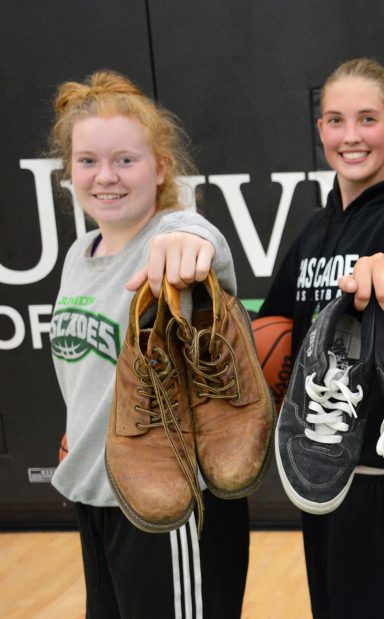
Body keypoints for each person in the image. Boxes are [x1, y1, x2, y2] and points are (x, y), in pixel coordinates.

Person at [258, 58, 384, 617]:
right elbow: (271, 330)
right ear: (320, 130)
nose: (350, 137)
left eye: (367, 119)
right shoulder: (316, 229)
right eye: (335, 121)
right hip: (321, 468)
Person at [48, 70, 245, 617]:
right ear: (70, 170)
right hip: (96, 497)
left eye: (125, 161)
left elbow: (203, 242)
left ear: (160, 167)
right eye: (88, 161)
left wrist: (189, 240)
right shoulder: (79, 254)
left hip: (169, 504)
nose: (104, 176)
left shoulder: (171, 235)